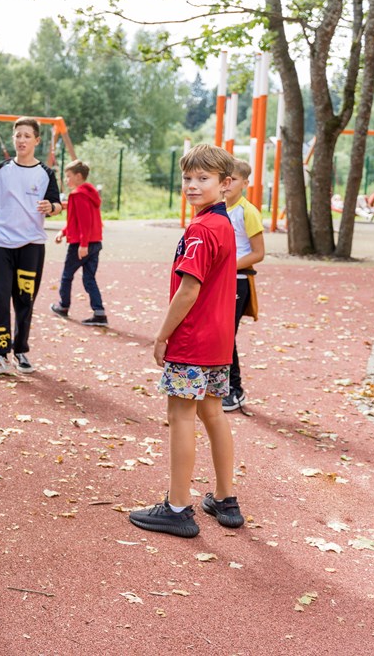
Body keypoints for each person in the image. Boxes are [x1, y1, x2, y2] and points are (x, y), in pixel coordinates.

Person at [129, 144, 244, 538]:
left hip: (192, 341)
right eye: (188, 178)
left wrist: (162, 335)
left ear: (225, 183)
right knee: (213, 413)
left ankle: (178, 506)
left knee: (181, 416)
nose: (192, 185)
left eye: (203, 179)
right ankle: (225, 498)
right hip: (218, 342)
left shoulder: (200, 229)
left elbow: (189, 289)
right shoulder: (225, 224)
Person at [0, 117, 62, 376]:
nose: (21, 140)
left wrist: (51, 207)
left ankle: (21, 351)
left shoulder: (46, 174)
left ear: (36, 140)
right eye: (17, 135)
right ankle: (0, 355)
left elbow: (56, 204)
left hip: (31, 247)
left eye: (26, 136)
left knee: (25, 300)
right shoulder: (1, 170)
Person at [223, 159, 264, 413]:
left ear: (245, 183)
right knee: (218, 334)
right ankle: (220, 384)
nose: (227, 184)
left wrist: (228, 267)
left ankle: (235, 390)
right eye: (224, 179)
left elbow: (258, 252)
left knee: (227, 335)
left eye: (234, 180)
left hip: (237, 282)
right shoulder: (215, 209)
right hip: (219, 281)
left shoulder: (247, 211)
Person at [50, 160, 108, 326]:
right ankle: (99, 313)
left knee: (67, 276)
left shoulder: (78, 195)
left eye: (68, 176)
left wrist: (83, 245)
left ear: (78, 176)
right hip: (95, 242)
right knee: (89, 279)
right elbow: (76, 220)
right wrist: (63, 232)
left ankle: (63, 306)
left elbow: (84, 222)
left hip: (81, 245)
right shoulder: (90, 193)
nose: (66, 180)